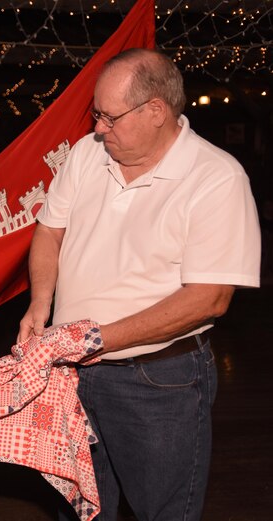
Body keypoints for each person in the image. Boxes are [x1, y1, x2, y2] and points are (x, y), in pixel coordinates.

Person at [17, 48, 260, 520]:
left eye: (110, 117)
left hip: (158, 382)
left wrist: (94, 339)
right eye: (96, 115)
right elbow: (50, 228)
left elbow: (209, 299)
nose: (97, 129)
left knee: (162, 513)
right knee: (82, 509)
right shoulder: (88, 155)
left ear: (156, 111)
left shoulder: (216, 178)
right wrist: (39, 305)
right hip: (70, 370)